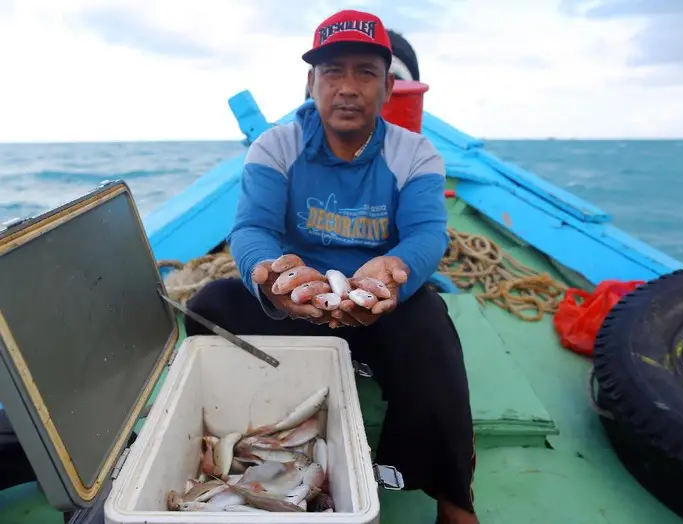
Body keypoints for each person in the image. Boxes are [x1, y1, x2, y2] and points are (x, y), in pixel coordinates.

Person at [184, 8, 479, 524]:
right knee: (209, 305)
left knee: (432, 322)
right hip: (298, 305)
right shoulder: (276, 145)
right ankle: (248, 429)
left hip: (376, 307)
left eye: (364, 72)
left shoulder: (416, 154)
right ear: (310, 81)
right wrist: (272, 275)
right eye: (332, 71)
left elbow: (427, 234)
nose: (347, 87)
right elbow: (251, 228)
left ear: (388, 87)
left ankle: (453, 495)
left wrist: (392, 268)